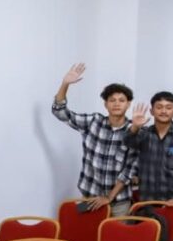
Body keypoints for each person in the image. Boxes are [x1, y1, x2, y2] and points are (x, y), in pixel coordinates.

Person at [51, 63, 139, 217]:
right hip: (90, 197)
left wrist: (109, 197)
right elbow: (60, 113)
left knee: (117, 233)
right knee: (88, 233)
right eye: (112, 100)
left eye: (121, 100)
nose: (117, 103)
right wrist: (65, 84)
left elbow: (130, 169)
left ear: (128, 104)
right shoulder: (93, 121)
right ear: (105, 104)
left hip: (119, 202)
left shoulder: (135, 130)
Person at [124, 92, 173, 209]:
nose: (164, 111)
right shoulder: (144, 134)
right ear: (152, 111)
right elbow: (128, 142)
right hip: (147, 201)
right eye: (159, 107)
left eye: (168, 107)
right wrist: (135, 127)